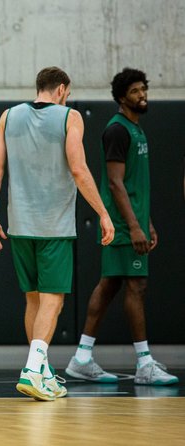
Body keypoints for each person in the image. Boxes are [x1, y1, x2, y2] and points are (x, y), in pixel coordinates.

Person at [0, 66, 115, 401]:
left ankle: (41, 371)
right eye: (67, 93)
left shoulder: (8, 116)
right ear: (61, 89)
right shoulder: (70, 117)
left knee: (33, 299)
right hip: (53, 224)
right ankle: (32, 370)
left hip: (19, 223)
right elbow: (78, 167)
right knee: (53, 300)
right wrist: (102, 212)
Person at [65, 68, 179, 386]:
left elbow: (134, 184)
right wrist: (134, 226)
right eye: (135, 91)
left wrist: (148, 223)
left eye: (144, 89)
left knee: (110, 284)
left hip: (133, 222)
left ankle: (82, 358)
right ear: (121, 97)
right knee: (136, 287)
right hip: (123, 224)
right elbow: (115, 183)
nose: (142, 95)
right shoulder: (117, 130)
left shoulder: (135, 129)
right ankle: (144, 363)